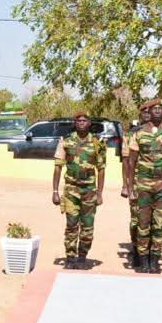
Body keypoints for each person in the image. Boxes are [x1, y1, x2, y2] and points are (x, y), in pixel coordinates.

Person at [126, 98, 162, 273]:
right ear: (148, 112)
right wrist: (130, 189)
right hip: (143, 186)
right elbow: (131, 163)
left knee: (159, 225)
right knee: (143, 224)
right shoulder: (138, 134)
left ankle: (155, 260)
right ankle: (143, 260)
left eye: (160, 109)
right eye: (154, 109)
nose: (157, 111)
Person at [53, 111, 106, 269]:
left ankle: (82, 257)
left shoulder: (97, 143)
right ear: (75, 123)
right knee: (71, 224)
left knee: (88, 227)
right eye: (79, 120)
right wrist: (55, 192)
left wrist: (99, 193)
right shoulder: (66, 141)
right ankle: (70, 258)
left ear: (89, 123)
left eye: (84, 120)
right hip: (71, 190)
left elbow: (101, 169)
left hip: (89, 190)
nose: (81, 122)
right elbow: (58, 167)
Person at [121, 106, 151, 267]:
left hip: (154, 183)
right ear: (139, 115)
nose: (147, 114)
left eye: (149, 112)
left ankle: (150, 251)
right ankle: (136, 250)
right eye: (144, 112)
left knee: (153, 219)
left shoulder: (160, 133)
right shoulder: (131, 134)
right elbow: (126, 162)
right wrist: (126, 185)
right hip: (137, 183)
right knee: (136, 219)